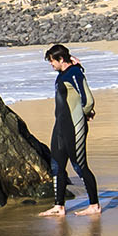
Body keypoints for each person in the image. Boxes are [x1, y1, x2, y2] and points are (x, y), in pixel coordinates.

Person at [38, 43, 100, 218]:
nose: (51, 64)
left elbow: (87, 99)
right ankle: (59, 206)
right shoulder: (63, 74)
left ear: (61, 59)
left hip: (74, 127)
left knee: (80, 166)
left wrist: (85, 114)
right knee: (57, 166)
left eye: (52, 61)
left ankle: (94, 205)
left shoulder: (74, 73)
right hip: (60, 127)